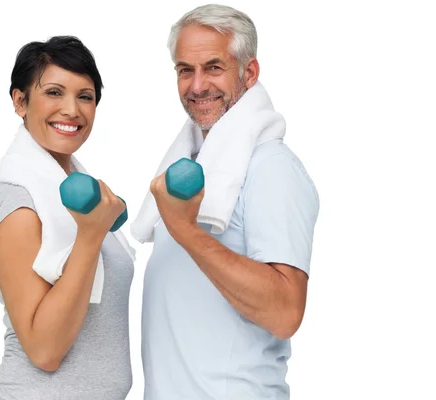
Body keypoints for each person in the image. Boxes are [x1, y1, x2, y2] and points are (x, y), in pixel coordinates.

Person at [130, 4, 320, 400]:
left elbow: (286, 312)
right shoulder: (195, 167)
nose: (197, 86)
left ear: (248, 73)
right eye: (185, 70)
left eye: (213, 68)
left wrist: (185, 230)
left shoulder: (271, 168)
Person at [0, 36, 134, 400]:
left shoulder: (71, 193)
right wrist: (91, 235)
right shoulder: (21, 207)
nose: (72, 110)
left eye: (85, 96)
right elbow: (44, 350)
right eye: (54, 92)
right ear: (20, 101)